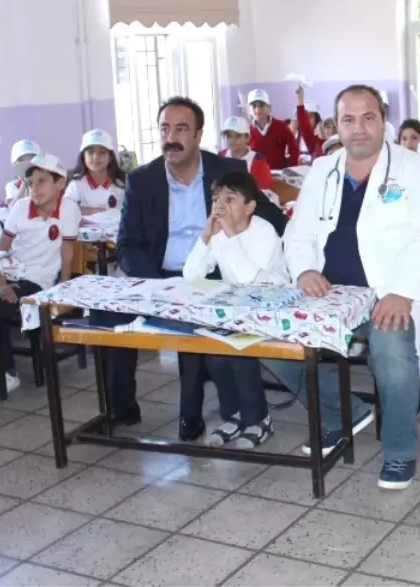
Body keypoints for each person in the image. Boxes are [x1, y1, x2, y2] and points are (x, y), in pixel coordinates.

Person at [273, 84, 420, 490]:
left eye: (369, 118)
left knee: (390, 349)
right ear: (337, 125)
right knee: (269, 340)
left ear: (383, 120)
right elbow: (297, 234)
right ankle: (341, 413)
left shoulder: (410, 168)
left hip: (387, 293)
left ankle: (400, 451)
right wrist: (303, 272)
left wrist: (401, 292)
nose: (359, 129)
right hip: (329, 293)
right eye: (348, 120)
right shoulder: (322, 170)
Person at [98, 97, 288, 441]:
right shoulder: (141, 180)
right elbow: (127, 244)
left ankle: (192, 415)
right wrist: (156, 285)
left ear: (199, 135)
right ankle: (121, 408)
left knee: (198, 323)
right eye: (164, 129)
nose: (171, 136)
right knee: (110, 321)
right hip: (158, 274)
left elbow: (264, 216)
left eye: (181, 129)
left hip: (210, 275)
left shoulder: (226, 173)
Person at [0, 153, 79, 399]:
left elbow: (67, 250)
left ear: (60, 184)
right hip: (9, 273)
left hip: (38, 281)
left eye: (42, 181)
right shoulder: (21, 208)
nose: (34, 188)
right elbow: (2, 247)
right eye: (31, 183)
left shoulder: (68, 209)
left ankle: (6, 374)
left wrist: (63, 287)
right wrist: (1, 283)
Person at [183, 171, 286, 449]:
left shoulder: (263, 231)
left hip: (272, 310)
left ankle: (259, 419)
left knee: (239, 354)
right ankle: (234, 415)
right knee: (215, 353)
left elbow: (248, 281)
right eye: (217, 199)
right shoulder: (218, 235)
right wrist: (206, 236)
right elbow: (191, 274)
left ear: (250, 206)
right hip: (238, 312)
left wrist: (228, 233)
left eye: (230, 199)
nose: (221, 206)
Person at [64, 129, 125, 216]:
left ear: (110, 158)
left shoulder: (122, 183)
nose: (96, 157)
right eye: (90, 152)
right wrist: (94, 211)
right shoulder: (77, 184)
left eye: (102, 152)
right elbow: (65, 208)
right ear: (83, 156)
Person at [245, 88, 299, 169]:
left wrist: (289, 168)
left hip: (278, 175)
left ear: (269, 108)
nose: (257, 109)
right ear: (249, 109)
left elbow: (294, 149)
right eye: (254, 106)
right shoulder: (246, 131)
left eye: (261, 105)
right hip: (256, 176)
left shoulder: (281, 127)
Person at [220, 116, 272, 190]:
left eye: (238, 136)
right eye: (228, 136)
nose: (232, 140)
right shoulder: (220, 157)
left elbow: (264, 192)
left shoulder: (258, 161)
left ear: (247, 138)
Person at [5, 139, 42, 207]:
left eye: (31, 161)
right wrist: (24, 186)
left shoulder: (45, 182)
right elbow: (13, 209)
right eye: (22, 161)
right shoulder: (12, 186)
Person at [294, 85, 325, 159]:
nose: (307, 119)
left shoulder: (320, 137)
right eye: (305, 116)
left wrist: (300, 100)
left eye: (310, 116)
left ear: (316, 118)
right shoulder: (295, 135)